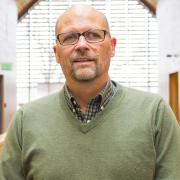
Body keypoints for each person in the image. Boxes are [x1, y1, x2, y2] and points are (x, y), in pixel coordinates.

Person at [0, 4, 180, 180]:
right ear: (56, 53)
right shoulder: (25, 120)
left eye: (93, 35)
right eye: (70, 37)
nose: (81, 45)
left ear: (112, 47)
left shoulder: (155, 114)